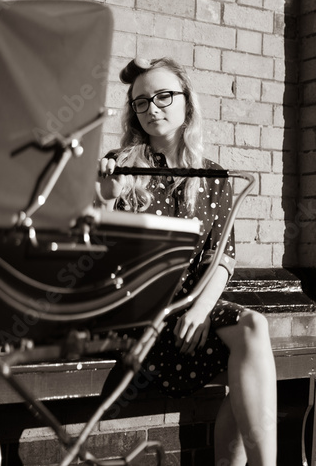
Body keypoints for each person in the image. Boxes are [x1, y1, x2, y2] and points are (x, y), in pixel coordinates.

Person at [97, 56, 277, 466]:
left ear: (187, 103)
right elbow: (102, 247)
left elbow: (222, 258)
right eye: (141, 102)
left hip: (193, 314)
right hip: (144, 318)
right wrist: (105, 197)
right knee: (249, 365)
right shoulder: (123, 166)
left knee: (254, 330)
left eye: (163, 96)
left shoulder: (213, 176)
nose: (152, 108)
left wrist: (200, 308)